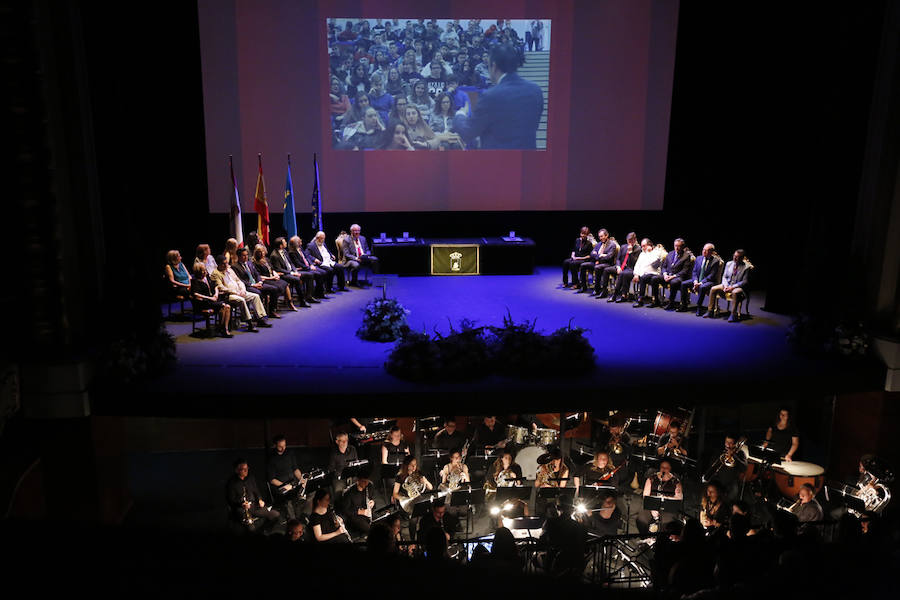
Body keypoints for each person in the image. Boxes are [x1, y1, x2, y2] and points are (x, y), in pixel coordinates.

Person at [452, 44, 543, 149]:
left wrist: (460, 114)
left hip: (499, 162)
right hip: (529, 161)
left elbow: (468, 132)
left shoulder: (489, 96)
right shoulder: (536, 91)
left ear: (494, 66)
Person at [209, 254, 271, 331]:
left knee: (255, 296)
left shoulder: (230, 270)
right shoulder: (215, 273)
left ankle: (260, 319)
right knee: (241, 300)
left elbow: (238, 281)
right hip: (228, 295)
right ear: (218, 264)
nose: (226, 265)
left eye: (226, 263)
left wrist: (242, 289)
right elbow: (220, 287)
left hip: (239, 291)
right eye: (223, 263)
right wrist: (235, 292)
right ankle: (250, 323)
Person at [225, 459, 280, 533]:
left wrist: (260, 499)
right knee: (251, 529)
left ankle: (263, 531)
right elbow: (231, 500)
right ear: (237, 470)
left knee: (275, 515)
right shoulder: (231, 483)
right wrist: (241, 504)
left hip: (254, 506)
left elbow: (256, 491)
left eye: (247, 468)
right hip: (242, 509)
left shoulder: (250, 478)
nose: (246, 470)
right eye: (243, 469)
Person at [232, 247, 284, 317]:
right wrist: (253, 285)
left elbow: (257, 274)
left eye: (247, 255)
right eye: (243, 255)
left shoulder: (249, 263)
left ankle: (271, 311)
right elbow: (240, 280)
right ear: (239, 256)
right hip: (248, 286)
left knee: (274, 289)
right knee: (258, 293)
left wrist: (259, 282)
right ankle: (259, 316)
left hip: (257, 284)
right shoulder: (235, 267)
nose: (246, 257)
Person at [266, 434, 309, 520]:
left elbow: (295, 469)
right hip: (280, 485)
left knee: (310, 491)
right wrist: (285, 486)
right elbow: (272, 480)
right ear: (275, 446)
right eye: (280, 447)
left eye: (284, 445)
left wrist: (302, 479)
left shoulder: (290, 453)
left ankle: (304, 514)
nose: (283, 448)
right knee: (289, 498)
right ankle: (293, 520)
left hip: (293, 481)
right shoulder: (271, 459)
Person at [637, 459, 683, 535]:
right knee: (641, 519)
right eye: (662, 467)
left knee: (667, 523)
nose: (664, 469)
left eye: (666, 467)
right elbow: (646, 495)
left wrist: (665, 498)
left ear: (670, 469)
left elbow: (679, 497)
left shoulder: (675, 481)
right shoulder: (651, 478)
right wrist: (652, 509)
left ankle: (662, 541)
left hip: (668, 507)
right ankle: (646, 538)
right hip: (651, 506)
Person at [253, 244, 304, 309]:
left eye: (263, 251)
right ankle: (273, 307)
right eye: (260, 252)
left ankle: (290, 303)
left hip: (272, 277)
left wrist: (275, 274)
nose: (262, 253)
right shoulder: (255, 262)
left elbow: (272, 269)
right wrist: (271, 278)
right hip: (265, 280)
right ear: (256, 253)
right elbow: (259, 276)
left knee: (285, 283)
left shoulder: (266, 259)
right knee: (276, 287)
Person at [706, 249, 751, 322]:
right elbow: (724, 276)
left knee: (735, 292)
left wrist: (732, 287)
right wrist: (726, 286)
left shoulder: (746, 267)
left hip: (738, 287)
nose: (735, 258)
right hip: (727, 284)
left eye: (737, 257)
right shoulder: (729, 264)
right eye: (734, 256)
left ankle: (733, 314)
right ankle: (710, 311)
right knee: (713, 288)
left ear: (742, 258)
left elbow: (744, 282)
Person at [648, 238, 693, 310]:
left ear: (682, 247)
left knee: (674, 282)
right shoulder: (670, 253)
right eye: (675, 246)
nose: (677, 248)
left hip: (678, 276)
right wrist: (665, 274)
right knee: (654, 279)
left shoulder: (686, 256)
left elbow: (685, 271)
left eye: (679, 246)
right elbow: (664, 266)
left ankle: (671, 303)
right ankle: (656, 301)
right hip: (667, 275)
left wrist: (673, 276)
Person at [190, 262, 232, 337]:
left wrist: (216, 294)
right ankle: (221, 329)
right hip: (203, 303)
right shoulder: (195, 281)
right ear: (198, 272)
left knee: (227, 307)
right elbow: (196, 294)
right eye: (203, 270)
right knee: (223, 305)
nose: (205, 272)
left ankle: (224, 329)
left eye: (205, 270)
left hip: (212, 300)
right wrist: (210, 298)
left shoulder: (207, 277)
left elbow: (215, 286)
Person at [270, 237, 316, 303]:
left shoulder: (284, 251)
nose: (286, 243)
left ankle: (309, 296)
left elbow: (291, 263)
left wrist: (295, 271)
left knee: (310, 275)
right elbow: (278, 269)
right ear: (280, 246)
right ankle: (302, 301)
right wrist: (292, 273)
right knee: (297, 279)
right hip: (284, 274)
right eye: (284, 242)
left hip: (291, 271)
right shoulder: (274, 255)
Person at [681, 243, 723, 314]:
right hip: (697, 280)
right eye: (703, 249)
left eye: (706, 250)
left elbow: (711, 276)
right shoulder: (699, 258)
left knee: (702, 287)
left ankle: (699, 307)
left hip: (709, 282)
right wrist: (695, 281)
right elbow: (694, 271)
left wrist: (700, 283)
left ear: (711, 252)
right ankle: (684, 305)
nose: (704, 251)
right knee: (683, 284)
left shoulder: (715, 261)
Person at [339, 468, 375, 536]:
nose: (366, 484)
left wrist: (372, 502)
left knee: (381, 522)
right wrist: (360, 512)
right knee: (370, 529)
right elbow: (345, 511)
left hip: (368, 513)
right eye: (364, 481)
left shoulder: (370, 485)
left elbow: (371, 498)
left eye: (367, 481)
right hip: (355, 516)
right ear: (358, 480)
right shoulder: (348, 493)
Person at [606, 233, 641, 303]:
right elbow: (618, 259)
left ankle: (619, 295)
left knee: (623, 274)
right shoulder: (623, 247)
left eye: (631, 240)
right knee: (606, 270)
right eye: (628, 240)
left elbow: (635, 262)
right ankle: (604, 290)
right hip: (621, 267)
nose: (630, 242)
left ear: (635, 240)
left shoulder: (638, 249)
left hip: (631, 269)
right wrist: (618, 267)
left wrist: (630, 252)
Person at [582, 230, 618, 296]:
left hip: (607, 264)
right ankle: (583, 286)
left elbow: (609, 257)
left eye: (602, 236)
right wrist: (600, 256)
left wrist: (598, 257)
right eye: (599, 237)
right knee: (583, 265)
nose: (600, 238)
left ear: (606, 235)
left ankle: (597, 289)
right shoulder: (598, 244)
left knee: (597, 267)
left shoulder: (612, 245)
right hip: (597, 262)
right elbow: (592, 254)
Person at [631, 238, 664, 307]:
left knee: (644, 278)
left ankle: (643, 299)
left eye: (644, 246)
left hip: (654, 273)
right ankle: (642, 299)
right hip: (643, 274)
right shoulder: (642, 254)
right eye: (642, 246)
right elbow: (637, 265)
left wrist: (649, 252)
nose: (642, 248)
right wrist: (636, 274)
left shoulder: (656, 252)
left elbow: (653, 264)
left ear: (649, 245)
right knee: (643, 277)